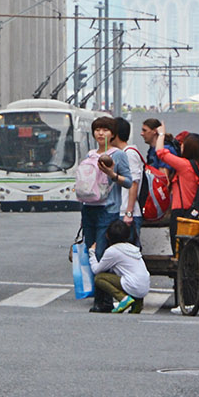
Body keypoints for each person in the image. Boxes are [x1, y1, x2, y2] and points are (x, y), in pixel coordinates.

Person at [79, 116, 132, 258]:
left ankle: (100, 279)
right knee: (89, 249)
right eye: (97, 130)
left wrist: (112, 174)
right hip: (89, 207)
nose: (100, 133)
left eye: (105, 130)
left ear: (113, 134)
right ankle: (90, 279)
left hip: (108, 209)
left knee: (100, 251)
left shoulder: (119, 155)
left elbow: (128, 182)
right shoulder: (90, 154)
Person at [90, 218, 148, 313]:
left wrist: (92, 253)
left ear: (108, 236)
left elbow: (96, 269)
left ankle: (123, 298)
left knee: (99, 278)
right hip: (144, 287)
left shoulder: (113, 251)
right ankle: (137, 303)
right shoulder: (132, 248)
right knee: (129, 276)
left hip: (133, 285)